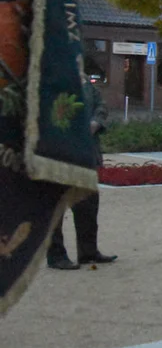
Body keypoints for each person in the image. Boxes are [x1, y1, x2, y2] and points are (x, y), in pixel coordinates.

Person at [47, 74, 118, 270]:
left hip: (86, 152)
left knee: (87, 205)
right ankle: (56, 255)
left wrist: (95, 123)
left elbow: (101, 106)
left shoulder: (87, 83)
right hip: (59, 152)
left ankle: (88, 252)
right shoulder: (51, 80)